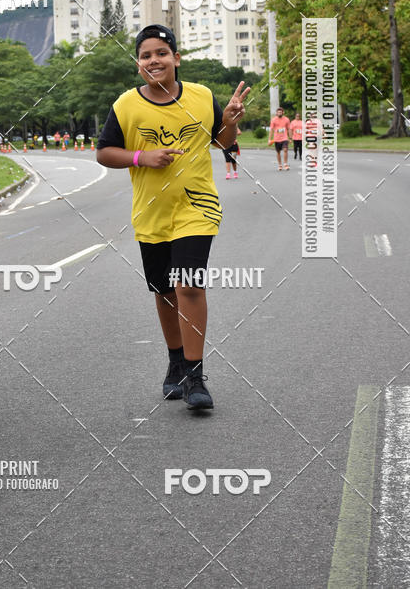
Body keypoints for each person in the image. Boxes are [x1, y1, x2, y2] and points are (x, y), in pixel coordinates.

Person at [96, 24, 249, 411]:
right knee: (164, 291)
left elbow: (224, 144)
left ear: (176, 59)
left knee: (189, 287)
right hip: (152, 214)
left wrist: (229, 119)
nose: (154, 61)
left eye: (161, 53)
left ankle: (196, 376)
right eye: (146, 55)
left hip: (197, 209)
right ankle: (176, 360)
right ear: (138, 64)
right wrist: (141, 157)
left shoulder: (201, 97)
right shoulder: (125, 106)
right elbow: (105, 153)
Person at [268, 106, 291, 171]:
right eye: (278, 112)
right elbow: (271, 130)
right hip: (276, 139)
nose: (279, 113)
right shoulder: (273, 120)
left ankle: (285, 164)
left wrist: (290, 138)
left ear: (283, 112)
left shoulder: (286, 119)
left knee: (285, 150)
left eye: (280, 112)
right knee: (278, 152)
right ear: (276, 113)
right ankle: (280, 165)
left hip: (284, 138)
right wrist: (269, 139)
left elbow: (289, 129)